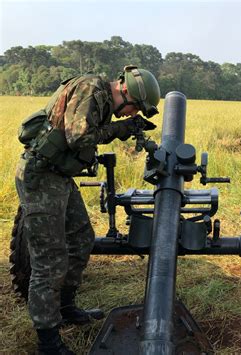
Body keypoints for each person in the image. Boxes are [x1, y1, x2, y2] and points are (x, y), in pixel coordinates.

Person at [15, 65, 160, 354]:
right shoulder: (92, 88)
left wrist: (123, 128)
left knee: (81, 237)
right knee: (49, 259)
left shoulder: (102, 99)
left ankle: (66, 306)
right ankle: (48, 341)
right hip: (41, 177)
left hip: (58, 176)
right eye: (135, 109)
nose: (132, 114)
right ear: (126, 92)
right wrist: (121, 130)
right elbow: (78, 137)